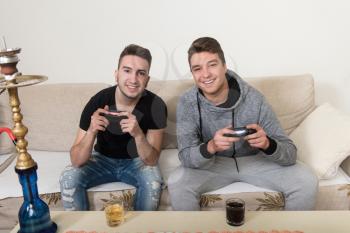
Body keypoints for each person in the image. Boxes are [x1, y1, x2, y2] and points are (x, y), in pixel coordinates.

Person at [168, 37, 318, 210]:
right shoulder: (187, 102)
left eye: (212, 64)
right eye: (197, 69)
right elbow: (186, 156)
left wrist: (268, 144)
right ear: (192, 74)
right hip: (212, 164)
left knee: (306, 180)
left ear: (224, 66)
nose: (206, 74)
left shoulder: (255, 99)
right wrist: (211, 147)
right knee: (176, 182)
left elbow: (290, 154)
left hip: (255, 161)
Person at [59, 44, 167, 211]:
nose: (133, 79)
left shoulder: (156, 105)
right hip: (102, 159)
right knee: (68, 177)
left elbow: (151, 160)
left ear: (147, 79)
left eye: (141, 73)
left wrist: (138, 134)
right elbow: (76, 160)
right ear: (116, 75)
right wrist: (92, 131)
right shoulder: (98, 101)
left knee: (153, 181)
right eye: (127, 70)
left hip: (137, 162)